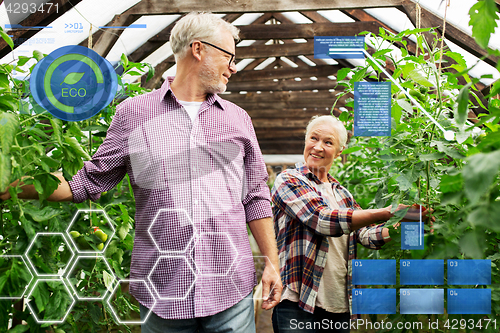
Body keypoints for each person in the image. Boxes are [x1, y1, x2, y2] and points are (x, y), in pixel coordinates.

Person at [0, 12, 282, 333]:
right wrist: (14, 185)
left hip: (230, 289)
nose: (233, 66)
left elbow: (256, 196)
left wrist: (272, 263)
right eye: (229, 56)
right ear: (198, 49)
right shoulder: (133, 114)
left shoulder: (237, 119)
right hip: (163, 291)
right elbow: (86, 183)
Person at [270, 115, 430, 332]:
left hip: (339, 304)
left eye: (328, 142)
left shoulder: (343, 194)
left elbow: (366, 236)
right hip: (299, 301)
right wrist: (386, 212)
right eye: (313, 138)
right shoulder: (289, 180)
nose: (317, 147)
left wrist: (406, 224)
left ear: (340, 151)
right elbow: (321, 219)